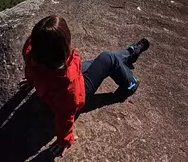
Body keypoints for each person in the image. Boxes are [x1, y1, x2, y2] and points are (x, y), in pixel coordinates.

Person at [21, 15, 150, 158]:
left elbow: (30, 68)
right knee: (107, 58)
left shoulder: (31, 51)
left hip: (51, 79)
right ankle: (130, 84)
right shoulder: (68, 88)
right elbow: (66, 116)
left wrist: (31, 81)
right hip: (75, 89)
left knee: (101, 62)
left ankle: (129, 54)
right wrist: (65, 140)